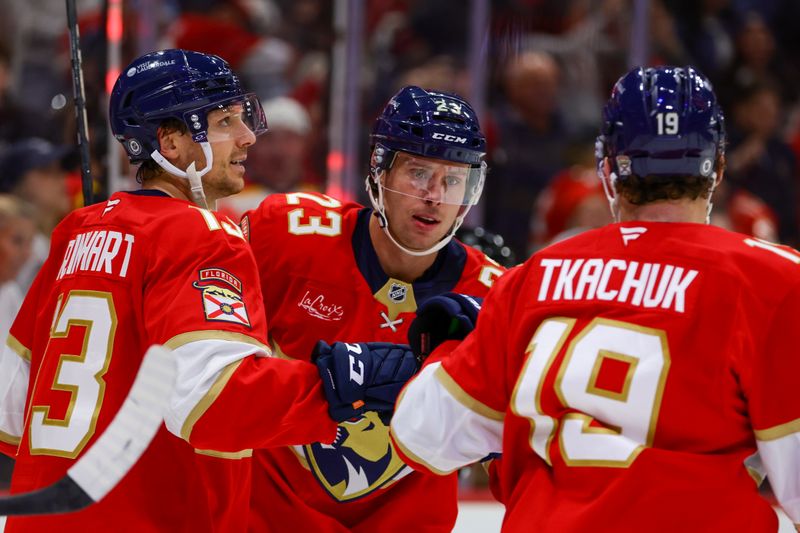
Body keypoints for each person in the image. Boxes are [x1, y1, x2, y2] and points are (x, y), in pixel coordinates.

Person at [0, 49, 413, 532]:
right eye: (223, 122)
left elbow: (12, 411)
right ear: (171, 142)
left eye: (243, 118)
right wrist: (343, 385)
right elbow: (214, 405)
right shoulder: (202, 234)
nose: (246, 137)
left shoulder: (77, 231)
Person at [390, 66, 800, 531]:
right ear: (718, 167)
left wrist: (454, 344)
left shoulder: (533, 277)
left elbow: (420, 435)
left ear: (607, 168)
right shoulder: (775, 282)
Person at [242, 85, 505, 532]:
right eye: (419, 172)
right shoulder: (282, 235)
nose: (435, 196)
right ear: (379, 169)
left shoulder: (495, 296)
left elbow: (512, 456)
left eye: (454, 179)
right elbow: (209, 375)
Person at [0, 137, 74, 290]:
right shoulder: (26, 245)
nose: (61, 179)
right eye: (47, 171)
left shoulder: (48, 241)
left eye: (60, 171)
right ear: (19, 182)